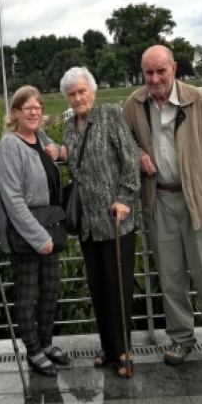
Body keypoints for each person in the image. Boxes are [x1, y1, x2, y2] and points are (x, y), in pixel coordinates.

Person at [122, 45, 202, 376]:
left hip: (197, 203)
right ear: (142, 73)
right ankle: (181, 339)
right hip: (158, 201)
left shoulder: (197, 100)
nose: (155, 78)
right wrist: (136, 154)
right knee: (171, 278)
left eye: (161, 71)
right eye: (149, 72)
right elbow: (123, 141)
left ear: (173, 68)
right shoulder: (134, 104)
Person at [61, 67, 140, 377]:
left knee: (117, 287)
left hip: (114, 218)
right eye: (72, 94)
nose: (78, 98)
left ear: (91, 91)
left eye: (82, 91)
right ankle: (108, 349)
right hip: (87, 223)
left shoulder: (108, 114)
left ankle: (124, 352)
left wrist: (126, 198)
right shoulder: (69, 126)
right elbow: (74, 163)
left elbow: (130, 159)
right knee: (97, 286)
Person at [0, 86, 69, 378]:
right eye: (28, 108)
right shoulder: (9, 146)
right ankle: (34, 349)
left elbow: (55, 165)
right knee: (26, 294)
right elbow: (12, 198)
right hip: (26, 233)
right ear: (15, 113)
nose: (34, 112)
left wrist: (60, 154)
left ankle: (47, 343)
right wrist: (38, 238)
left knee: (50, 289)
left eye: (38, 107)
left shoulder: (42, 138)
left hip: (48, 227)